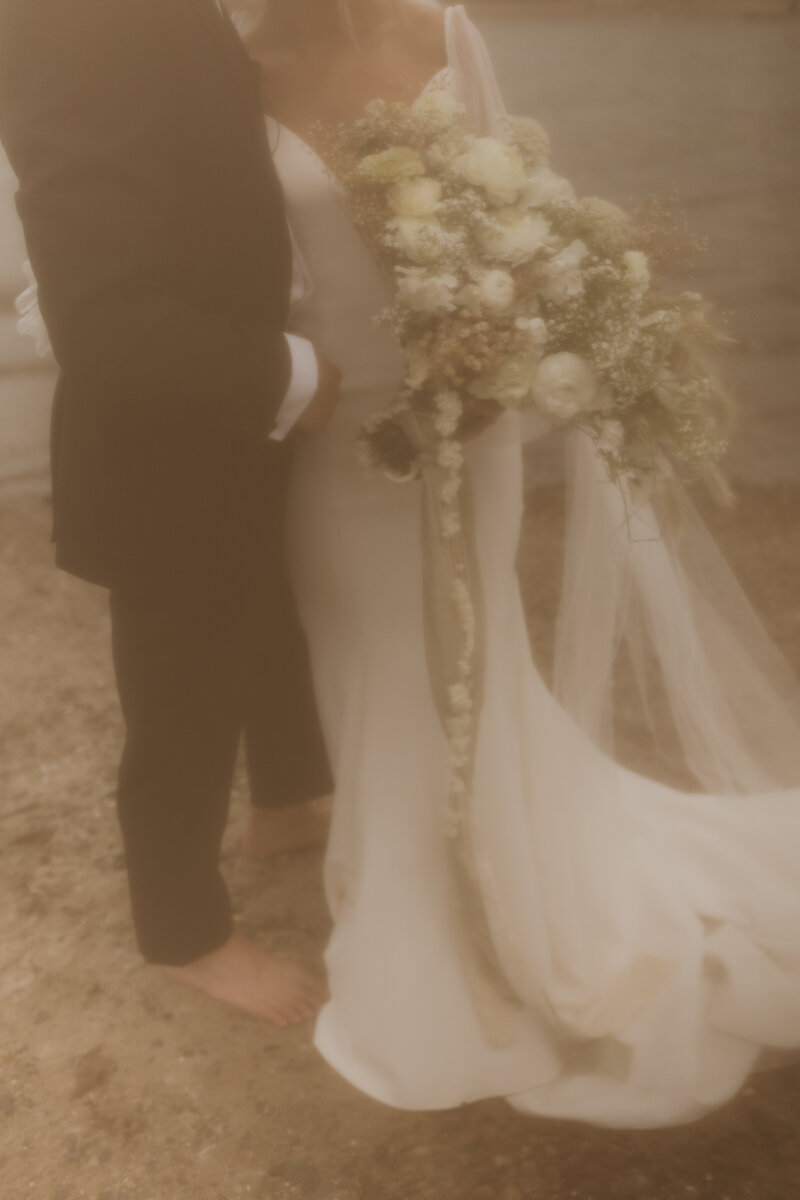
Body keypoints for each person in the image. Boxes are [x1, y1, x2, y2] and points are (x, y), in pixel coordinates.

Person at [250, 0, 800, 1127]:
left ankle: (502, 872)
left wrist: (503, 330)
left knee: (480, 652)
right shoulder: (230, 64)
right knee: (378, 681)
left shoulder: (444, 32)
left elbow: (512, 205)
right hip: (336, 442)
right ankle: (421, 928)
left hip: (474, 416)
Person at [0, 0, 338, 1027]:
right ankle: (181, 930)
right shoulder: (58, 21)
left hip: (234, 399)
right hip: (165, 431)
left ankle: (283, 802)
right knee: (182, 687)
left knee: (267, 612)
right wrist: (291, 371)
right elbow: (99, 316)